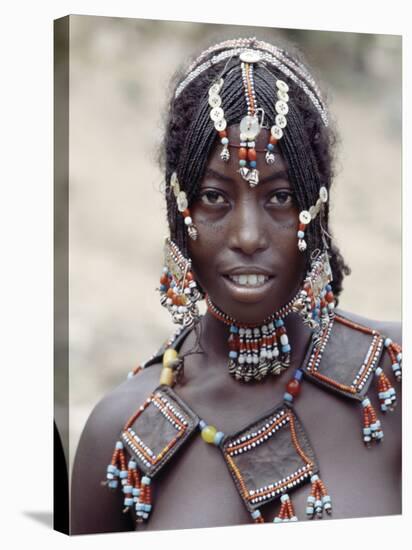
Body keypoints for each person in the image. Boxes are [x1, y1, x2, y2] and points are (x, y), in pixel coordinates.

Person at [71, 36, 402, 535]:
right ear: (178, 212)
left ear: (316, 211)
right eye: (213, 197)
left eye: (281, 196)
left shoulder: (394, 381)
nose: (247, 236)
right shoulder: (119, 434)